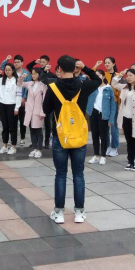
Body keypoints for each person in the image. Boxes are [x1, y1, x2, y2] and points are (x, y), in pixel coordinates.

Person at [42, 57, 102, 225]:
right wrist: (86, 67)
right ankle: (79, 212)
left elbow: (45, 109)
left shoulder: (53, 87)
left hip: (61, 136)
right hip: (79, 137)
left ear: (59, 69)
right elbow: (98, 80)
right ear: (75, 68)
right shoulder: (83, 85)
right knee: (78, 174)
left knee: (60, 174)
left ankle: (59, 213)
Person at [112, 69, 135, 171]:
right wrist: (120, 75)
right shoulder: (125, 87)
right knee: (129, 141)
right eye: (127, 76)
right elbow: (114, 83)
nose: (128, 77)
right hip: (125, 118)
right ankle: (130, 162)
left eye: (131, 75)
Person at [86, 69, 117, 166]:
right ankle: (96, 155)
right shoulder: (93, 87)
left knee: (103, 136)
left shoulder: (108, 88)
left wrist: (111, 119)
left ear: (103, 77)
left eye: (99, 75)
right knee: (94, 135)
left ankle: (103, 156)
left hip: (104, 114)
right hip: (93, 113)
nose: (97, 77)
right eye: (95, 75)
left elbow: (113, 106)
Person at [0, 63, 22, 155]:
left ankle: (13, 146)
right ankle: (5, 145)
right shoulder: (1, 80)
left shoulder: (17, 80)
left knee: (13, 127)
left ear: (13, 70)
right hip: (3, 105)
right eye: (6, 70)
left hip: (12, 105)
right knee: (5, 126)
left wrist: (17, 107)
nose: (7, 71)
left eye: (9, 70)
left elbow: (19, 94)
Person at [28, 55, 57, 149]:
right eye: (41, 62)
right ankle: (35, 141)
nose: (42, 63)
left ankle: (47, 141)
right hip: (37, 101)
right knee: (35, 122)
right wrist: (34, 62)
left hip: (47, 101)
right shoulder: (37, 72)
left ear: (48, 63)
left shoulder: (52, 75)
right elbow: (28, 66)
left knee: (48, 122)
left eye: (44, 62)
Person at [19, 67, 48, 159]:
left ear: (39, 74)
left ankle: (39, 149)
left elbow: (44, 100)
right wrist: (21, 77)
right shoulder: (30, 83)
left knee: (38, 130)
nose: (33, 75)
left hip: (38, 111)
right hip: (30, 111)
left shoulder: (43, 86)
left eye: (35, 73)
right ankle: (34, 148)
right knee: (32, 130)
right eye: (32, 73)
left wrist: (42, 112)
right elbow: (19, 84)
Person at [2, 55, 31, 147]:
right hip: (12, 101)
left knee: (22, 120)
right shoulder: (12, 72)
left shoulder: (26, 73)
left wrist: (24, 97)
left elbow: (27, 86)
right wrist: (6, 60)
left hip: (22, 100)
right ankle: (12, 139)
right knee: (11, 122)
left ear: (22, 63)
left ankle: (22, 138)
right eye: (15, 62)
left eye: (18, 62)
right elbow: (2, 68)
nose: (16, 63)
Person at [95, 57, 121, 157]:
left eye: (109, 63)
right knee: (104, 127)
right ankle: (107, 146)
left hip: (114, 102)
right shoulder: (103, 75)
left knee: (113, 126)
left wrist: (119, 103)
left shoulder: (118, 75)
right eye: (105, 63)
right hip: (104, 103)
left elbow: (120, 90)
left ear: (113, 64)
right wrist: (96, 66)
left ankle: (114, 147)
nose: (106, 64)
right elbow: (92, 76)